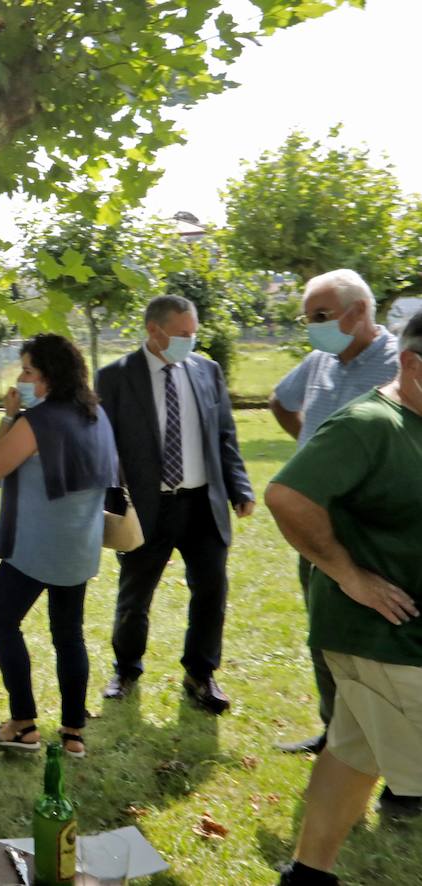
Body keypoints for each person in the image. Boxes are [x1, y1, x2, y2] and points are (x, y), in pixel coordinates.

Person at [266, 309, 422, 885]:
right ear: (410, 364)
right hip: (384, 636)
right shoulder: (368, 424)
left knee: (352, 755)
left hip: (394, 640)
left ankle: (308, 876)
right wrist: (349, 574)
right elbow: (286, 495)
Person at [97, 295, 255, 714]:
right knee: (135, 594)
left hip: (202, 504)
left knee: (211, 590)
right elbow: (103, 445)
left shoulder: (207, 371)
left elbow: (225, 433)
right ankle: (126, 668)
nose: (191, 340)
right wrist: (108, 500)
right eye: (184, 334)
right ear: (154, 330)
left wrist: (240, 487)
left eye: (194, 333)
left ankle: (200, 674)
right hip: (147, 508)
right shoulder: (115, 377)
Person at [268, 269, 401, 766]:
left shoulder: (400, 364)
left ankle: (400, 769)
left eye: (321, 317)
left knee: (383, 649)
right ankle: (335, 733)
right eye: (309, 319)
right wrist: (312, 458)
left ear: (361, 311)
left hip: (376, 533)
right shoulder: (320, 360)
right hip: (318, 529)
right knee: (326, 635)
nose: (314, 328)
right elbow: (281, 402)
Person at [0, 334, 117, 758]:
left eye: (27, 372)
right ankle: (73, 733)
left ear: (49, 378)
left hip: (34, 550)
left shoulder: (36, 422)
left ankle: (22, 724)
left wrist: (8, 417)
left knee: (1, 621)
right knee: (68, 635)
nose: (20, 379)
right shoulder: (95, 415)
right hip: (78, 548)